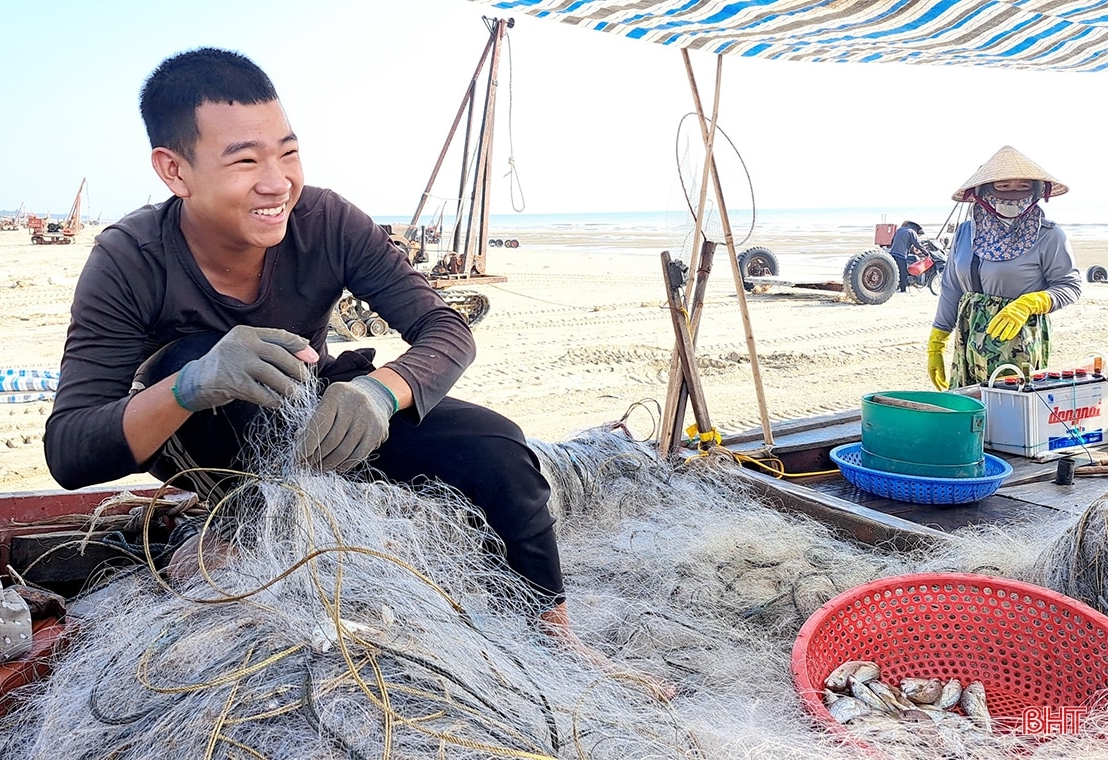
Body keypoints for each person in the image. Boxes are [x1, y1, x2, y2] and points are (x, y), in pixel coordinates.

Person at [44, 48, 656, 689]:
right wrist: (192, 385)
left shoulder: (328, 221)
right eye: (246, 160)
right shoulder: (129, 258)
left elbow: (445, 327)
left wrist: (381, 393)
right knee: (193, 355)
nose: (277, 181)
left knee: (498, 445)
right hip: (208, 444)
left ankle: (553, 633)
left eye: (288, 153)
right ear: (175, 170)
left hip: (318, 424)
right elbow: (70, 448)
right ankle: (240, 525)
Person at [927, 145, 1081, 390]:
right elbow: (951, 287)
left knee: (1012, 411)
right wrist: (938, 339)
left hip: (1017, 339)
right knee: (969, 409)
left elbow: (1070, 285)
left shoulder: (1049, 235)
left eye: (1023, 186)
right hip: (968, 337)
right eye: (1003, 186)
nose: (1013, 194)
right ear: (983, 190)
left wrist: (1029, 303)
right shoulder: (966, 232)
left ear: (1037, 190)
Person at [888, 220, 926, 293]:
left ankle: (896, 287)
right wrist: (926, 253)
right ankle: (903, 289)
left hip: (892, 253)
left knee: (896, 272)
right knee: (903, 273)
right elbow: (918, 244)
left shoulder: (899, 230)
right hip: (901, 254)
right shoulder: (912, 232)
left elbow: (892, 241)